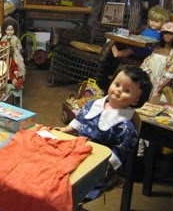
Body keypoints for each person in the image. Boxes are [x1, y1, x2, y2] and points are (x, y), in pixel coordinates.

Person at [55, 64, 152, 199]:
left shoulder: (125, 126)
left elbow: (117, 154)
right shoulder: (94, 104)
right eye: (117, 84)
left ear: (136, 100)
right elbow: (81, 120)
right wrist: (67, 130)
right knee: (51, 165)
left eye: (127, 91)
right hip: (78, 150)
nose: (118, 90)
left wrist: (98, 165)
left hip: (101, 167)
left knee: (66, 184)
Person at [140, 22, 173, 101]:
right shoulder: (156, 50)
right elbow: (146, 64)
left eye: (171, 34)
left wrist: (160, 86)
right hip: (149, 80)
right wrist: (145, 77)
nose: (167, 36)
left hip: (161, 85)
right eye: (165, 33)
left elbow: (171, 74)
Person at [1, 17, 25, 88]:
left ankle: (18, 78)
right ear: (5, 30)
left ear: (14, 30)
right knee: (6, 66)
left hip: (14, 54)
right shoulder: (4, 38)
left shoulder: (15, 38)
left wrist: (18, 51)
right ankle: (9, 79)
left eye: (11, 30)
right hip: (5, 54)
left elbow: (19, 46)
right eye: (8, 30)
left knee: (18, 65)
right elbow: (1, 45)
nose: (10, 32)